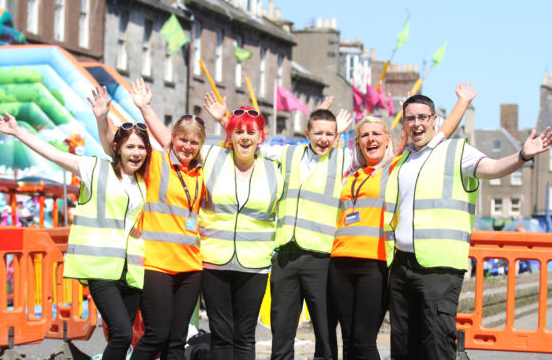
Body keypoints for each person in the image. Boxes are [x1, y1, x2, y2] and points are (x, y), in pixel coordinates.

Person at [383, 92, 552, 360]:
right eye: (410, 118)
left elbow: (493, 167)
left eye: (422, 118)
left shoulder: (456, 151)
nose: (416, 124)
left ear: (435, 120)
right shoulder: (402, 162)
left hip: (440, 267)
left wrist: (522, 155)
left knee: (437, 341)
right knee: (403, 344)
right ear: (404, 123)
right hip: (402, 265)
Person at [329, 82, 477, 360]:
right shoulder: (350, 173)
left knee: (363, 341)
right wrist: (333, 128)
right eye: (364, 135)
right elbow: (324, 153)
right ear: (357, 141)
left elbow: (438, 135)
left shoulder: (394, 167)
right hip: (340, 261)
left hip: (374, 262)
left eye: (376, 134)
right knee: (348, 341)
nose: (370, 139)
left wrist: (462, 103)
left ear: (389, 139)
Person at [204, 93, 353, 359]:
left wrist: (331, 131)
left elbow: (382, 155)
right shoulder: (288, 153)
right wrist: (225, 120)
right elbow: (248, 141)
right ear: (306, 132)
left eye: (330, 134)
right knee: (281, 333)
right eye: (317, 132)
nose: (323, 139)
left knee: (324, 331)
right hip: (285, 258)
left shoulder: (343, 159)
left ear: (337, 135)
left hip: (321, 260)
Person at [0, 108, 151, 360]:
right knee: (121, 333)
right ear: (117, 148)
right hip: (100, 267)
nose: (136, 153)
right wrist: (18, 132)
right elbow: (55, 154)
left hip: (131, 269)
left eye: (141, 148)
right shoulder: (94, 169)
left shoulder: (142, 183)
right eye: (131, 147)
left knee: (123, 338)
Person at [93, 80, 205, 360]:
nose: (187, 146)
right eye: (182, 140)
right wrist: (137, 110)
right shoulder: (156, 163)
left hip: (190, 266)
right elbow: (114, 148)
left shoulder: (201, 172)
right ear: (173, 140)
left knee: (177, 339)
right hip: (156, 265)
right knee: (157, 333)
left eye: (194, 142)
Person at [199, 100, 283, 359]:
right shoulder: (212, 156)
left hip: (254, 264)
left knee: (245, 336)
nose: (245, 138)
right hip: (214, 261)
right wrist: (145, 109)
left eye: (251, 132)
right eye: (238, 132)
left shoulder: (276, 165)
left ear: (261, 137)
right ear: (229, 136)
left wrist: (228, 119)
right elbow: (176, 141)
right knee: (221, 336)